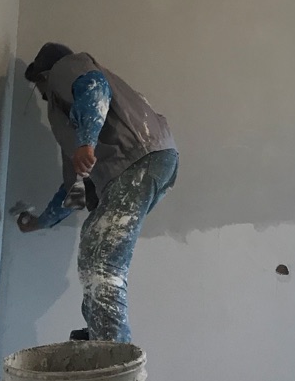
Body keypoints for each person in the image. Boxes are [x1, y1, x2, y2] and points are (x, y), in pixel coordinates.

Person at [19, 43, 179, 344]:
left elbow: (94, 88)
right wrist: (41, 221)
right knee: (96, 240)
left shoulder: (67, 68)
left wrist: (87, 143)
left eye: (39, 86)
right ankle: (100, 331)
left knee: (103, 259)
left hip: (137, 159)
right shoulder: (72, 126)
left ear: (44, 75)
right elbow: (75, 189)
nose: (42, 95)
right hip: (150, 162)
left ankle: (111, 346)